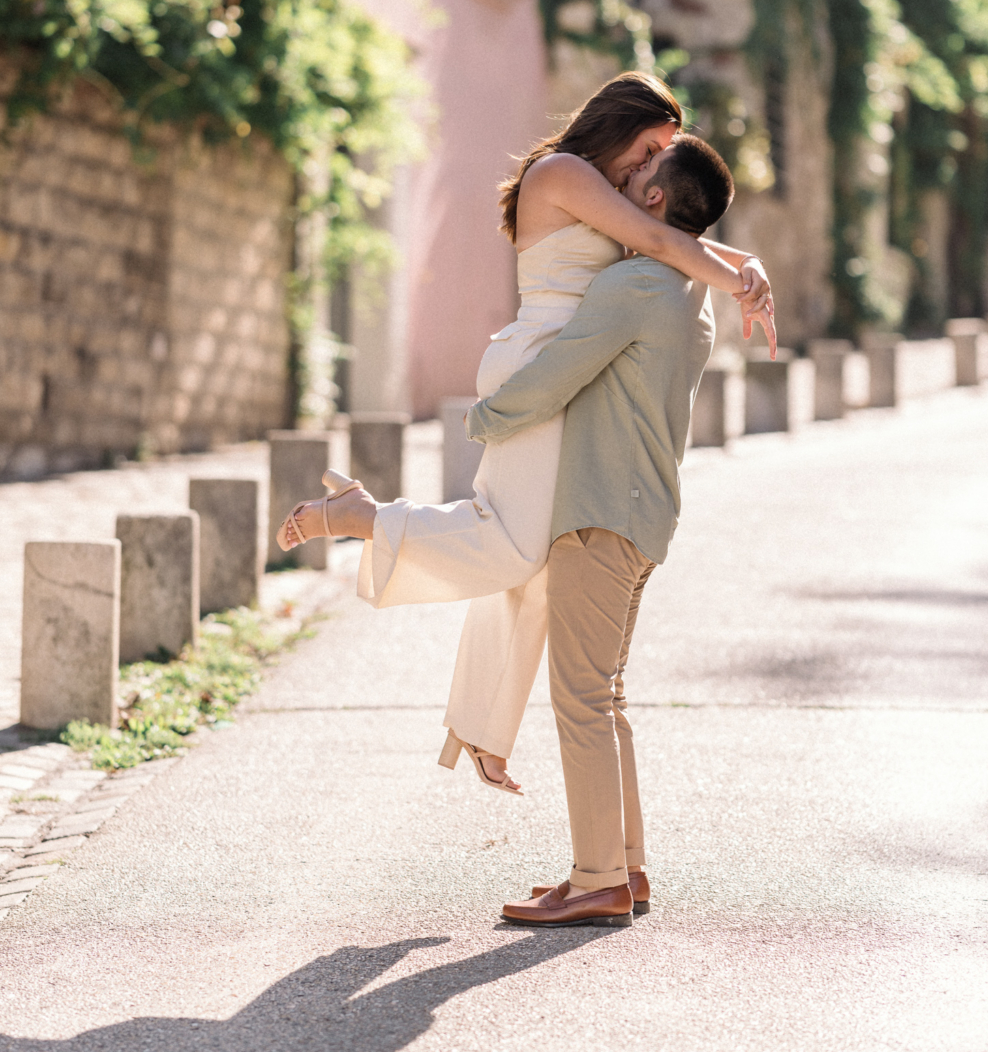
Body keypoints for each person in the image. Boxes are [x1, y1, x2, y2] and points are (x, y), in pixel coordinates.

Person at [277, 73, 775, 795]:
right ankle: (362, 516)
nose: (651, 168)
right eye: (648, 148)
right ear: (618, 127)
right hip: (538, 366)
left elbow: (667, 236)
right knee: (509, 546)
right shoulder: (563, 173)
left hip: (571, 374)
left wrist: (749, 265)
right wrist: (740, 279)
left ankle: (483, 728)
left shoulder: (610, 193)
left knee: (539, 561)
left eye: (662, 156)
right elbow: (654, 239)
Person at [472, 134, 723, 925]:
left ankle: (595, 880)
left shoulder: (635, 284)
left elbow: (558, 371)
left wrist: (485, 416)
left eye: (641, 171)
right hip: (647, 514)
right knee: (606, 696)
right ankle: (623, 868)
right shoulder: (690, 292)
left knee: (581, 698)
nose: (624, 178)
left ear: (652, 203)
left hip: (600, 509)